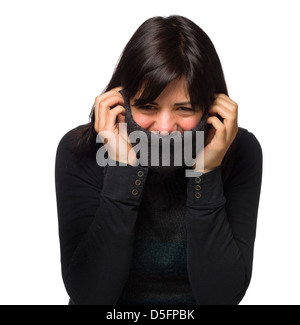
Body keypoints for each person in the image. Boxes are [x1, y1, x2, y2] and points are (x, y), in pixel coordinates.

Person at [54, 15, 263, 305]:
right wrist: (124, 170)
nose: (165, 129)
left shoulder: (240, 152)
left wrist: (205, 171)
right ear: (121, 102)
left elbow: (221, 298)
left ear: (210, 108)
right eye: (148, 106)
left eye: (184, 108)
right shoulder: (82, 151)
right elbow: (90, 295)